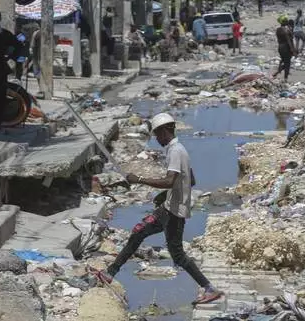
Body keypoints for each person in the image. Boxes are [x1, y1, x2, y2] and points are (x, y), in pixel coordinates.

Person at [94, 113, 223, 305]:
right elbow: (191, 179)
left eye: (157, 134)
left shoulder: (176, 151)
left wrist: (138, 179)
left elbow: (170, 180)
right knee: (138, 232)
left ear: (164, 131)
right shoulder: (177, 150)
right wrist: (166, 195)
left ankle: (210, 289)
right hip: (168, 207)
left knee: (177, 254)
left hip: (174, 212)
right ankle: (110, 273)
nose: (156, 139)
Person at [271, 16, 296, 81]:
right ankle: (285, 78)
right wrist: (292, 50)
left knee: (284, 61)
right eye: (286, 20)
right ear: (284, 22)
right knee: (287, 63)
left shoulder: (278, 29)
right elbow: (289, 40)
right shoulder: (286, 30)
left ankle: (277, 73)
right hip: (286, 48)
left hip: (280, 47)